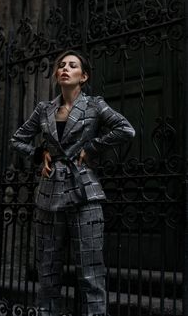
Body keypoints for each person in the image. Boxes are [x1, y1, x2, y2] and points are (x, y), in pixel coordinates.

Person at [10, 50, 135, 316]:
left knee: (90, 274)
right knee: (48, 273)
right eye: (62, 65)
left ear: (84, 76)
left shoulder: (94, 105)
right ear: (57, 75)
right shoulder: (44, 109)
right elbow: (16, 139)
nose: (65, 68)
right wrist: (38, 153)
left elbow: (126, 130)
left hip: (84, 194)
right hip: (48, 195)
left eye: (73, 65)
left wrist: (92, 147)